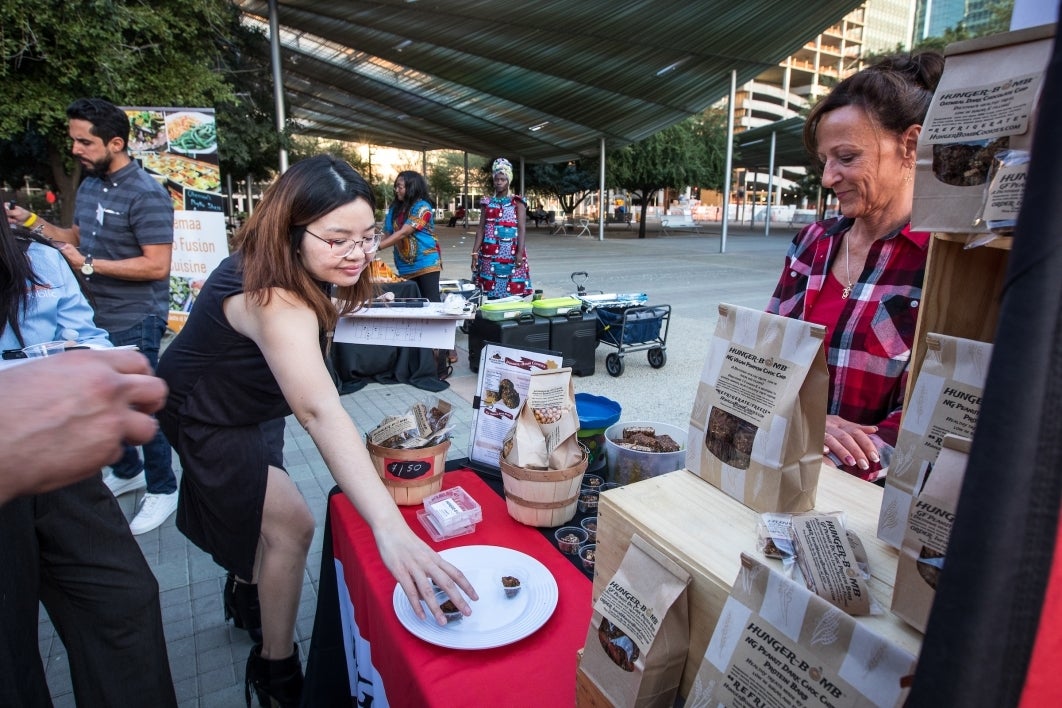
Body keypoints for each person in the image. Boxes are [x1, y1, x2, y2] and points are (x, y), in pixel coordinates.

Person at [155, 155, 477, 707]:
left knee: (256, 515)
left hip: (255, 403)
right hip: (206, 410)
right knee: (292, 527)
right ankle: (275, 671)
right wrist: (389, 529)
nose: (358, 253)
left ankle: (246, 592)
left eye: (368, 236)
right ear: (291, 228)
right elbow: (320, 412)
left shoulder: (297, 266)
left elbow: (324, 316)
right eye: (338, 239)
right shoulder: (272, 296)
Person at [0, 210, 177, 707]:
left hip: (59, 465)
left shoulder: (40, 257)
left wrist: (100, 377)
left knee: (125, 602)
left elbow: (89, 340)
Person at [766, 52, 945, 482]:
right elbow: (765, 360)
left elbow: (935, 418)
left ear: (910, 145)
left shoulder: (942, 265)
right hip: (784, 467)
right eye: (825, 160)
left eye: (846, 157)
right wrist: (805, 427)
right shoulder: (812, 244)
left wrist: (828, 460)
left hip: (869, 501)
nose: (828, 178)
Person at [6, 97, 179, 534]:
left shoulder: (147, 193)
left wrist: (86, 264)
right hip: (90, 315)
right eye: (73, 141)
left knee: (138, 401)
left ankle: (163, 487)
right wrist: (31, 223)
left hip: (136, 314)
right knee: (103, 395)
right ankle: (127, 472)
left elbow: (157, 266)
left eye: (84, 142)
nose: (76, 150)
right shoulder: (90, 186)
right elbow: (76, 238)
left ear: (115, 142)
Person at [471, 157, 532, 298]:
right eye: (496, 179)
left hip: (511, 252)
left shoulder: (517, 202)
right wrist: (474, 253)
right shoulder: (487, 202)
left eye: (502, 179)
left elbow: (522, 229)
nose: (499, 182)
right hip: (489, 253)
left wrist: (519, 253)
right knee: (490, 290)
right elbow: (481, 229)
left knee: (513, 290)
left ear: (508, 181)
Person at [378, 170, 442, 303]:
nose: (396, 190)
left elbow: (404, 232)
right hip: (404, 266)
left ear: (411, 187)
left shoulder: (423, 207)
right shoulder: (395, 208)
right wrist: (369, 245)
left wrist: (377, 247)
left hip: (426, 263)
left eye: (400, 187)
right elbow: (387, 233)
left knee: (432, 302)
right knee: (412, 304)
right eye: (396, 187)